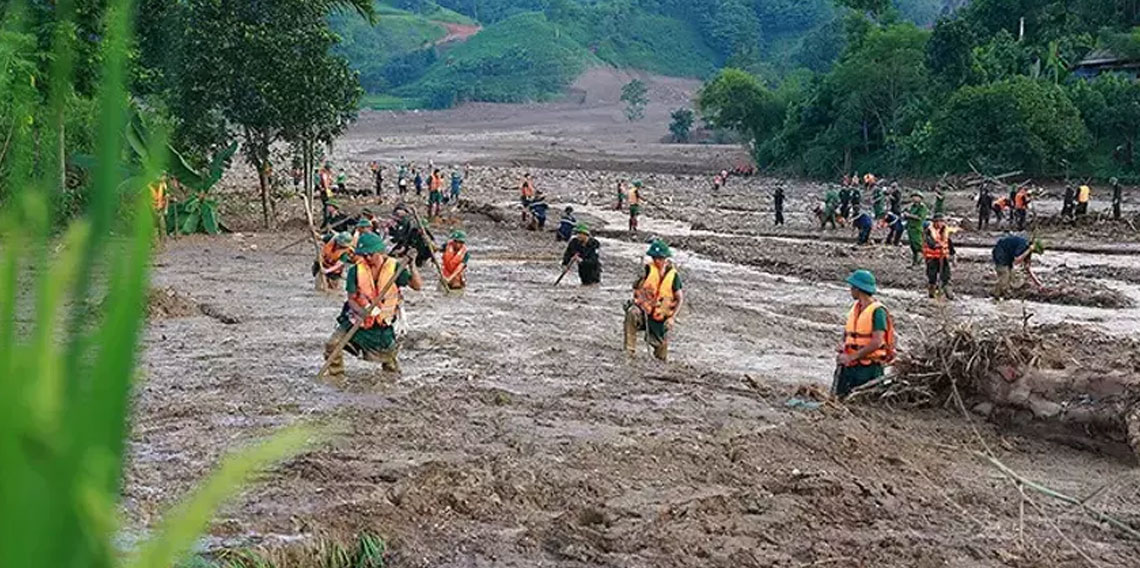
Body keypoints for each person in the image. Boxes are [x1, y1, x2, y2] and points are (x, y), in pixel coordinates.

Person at [324, 233, 423, 378]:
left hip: (382, 321)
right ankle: (336, 375)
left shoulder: (394, 267)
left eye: (371, 254)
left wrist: (412, 265)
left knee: (389, 358)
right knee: (333, 344)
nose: (368, 258)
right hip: (358, 317)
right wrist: (361, 311)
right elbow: (351, 299)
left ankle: (391, 379)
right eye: (364, 255)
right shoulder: (355, 271)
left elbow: (417, 286)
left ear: (380, 252)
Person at [834, 270, 895, 399]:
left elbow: (877, 341)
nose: (850, 290)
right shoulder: (856, 308)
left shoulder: (878, 311)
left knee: (864, 401)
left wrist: (852, 357)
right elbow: (848, 333)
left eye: (852, 287)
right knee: (841, 398)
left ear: (858, 289)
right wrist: (843, 346)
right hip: (851, 366)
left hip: (869, 369)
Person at [625, 240, 683, 361]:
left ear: (665, 258)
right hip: (644, 312)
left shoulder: (673, 276)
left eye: (660, 258)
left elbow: (680, 298)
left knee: (661, 352)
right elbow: (635, 287)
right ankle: (629, 352)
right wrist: (640, 284)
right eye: (654, 258)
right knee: (632, 312)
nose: (657, 261)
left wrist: (672, 318)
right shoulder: (647, 270)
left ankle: (660, 359)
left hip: (660, 316)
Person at [992, 235, 1044, 300]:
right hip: (1000, 252)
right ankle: (1002, 296)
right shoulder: (1023, 246)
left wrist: (1038, 283)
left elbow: (1027, 268)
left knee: (1008, 277)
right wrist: (1028, 250)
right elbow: (1017, 260)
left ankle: (998, 296)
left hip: (1008, 256)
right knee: (1004, 274)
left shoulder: (1027, 251)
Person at [923, 214, 955, 299]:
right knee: (932, 276)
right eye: (938, 221)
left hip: (943, 257)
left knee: (946, 275)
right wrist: (936, 245)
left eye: (941, 221)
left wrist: (952, 254)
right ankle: (932, 292)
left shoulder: (945, 230)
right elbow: (930, 242)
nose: (940, 223)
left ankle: (948, 291)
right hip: (932, 257)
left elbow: (949, 243)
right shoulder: (929, 231)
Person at [903, 192, 929, 267]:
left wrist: (909, 215)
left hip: (917, 228)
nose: (913, 198)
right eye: (913, 197)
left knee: (918, 246)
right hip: (910, 228)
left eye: (915, 196)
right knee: (913, 247)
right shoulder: (912, 207)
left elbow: (920, 218)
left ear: (920, 198)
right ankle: (914, 263)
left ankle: (920, 262)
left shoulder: (922, 207)